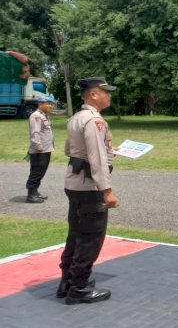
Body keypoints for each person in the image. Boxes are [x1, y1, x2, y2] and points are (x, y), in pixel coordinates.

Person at [58, 77, 118, 304]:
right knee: (91, 238)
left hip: (74, 183)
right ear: (93, 95)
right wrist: (107, 190)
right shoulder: (95, 121)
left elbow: (70, 149)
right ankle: (79, 289)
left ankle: (67, 282)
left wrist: (110, 148)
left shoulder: (76, 118)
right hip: (90, 186)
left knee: (75, 234)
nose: (108, 96)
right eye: (105, 92)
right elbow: (97, 158)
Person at [25, 94, 55, 203]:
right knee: (36, 172)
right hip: (39, 150)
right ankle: (31, 195)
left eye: (51, 104)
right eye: (48, 103)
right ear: (40, 104)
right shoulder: (36, 116)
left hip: (45, 149)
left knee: (41, 172)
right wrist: (38, 146)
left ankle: (35, 192)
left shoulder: (43, 115)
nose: (50, 106)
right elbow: (35, 133)